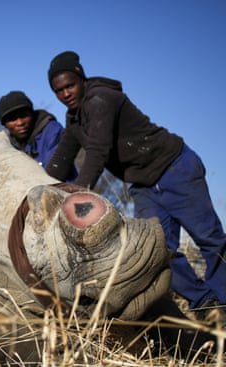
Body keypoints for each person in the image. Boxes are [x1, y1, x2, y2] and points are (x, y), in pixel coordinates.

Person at [45, 50, 226, 313]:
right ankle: (204, 304)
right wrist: (39, 189)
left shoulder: (101, 99)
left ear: (81, 79)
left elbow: (98, 150)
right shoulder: (74, 120)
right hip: (144, 186)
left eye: (69, 85)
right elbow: (61, 160)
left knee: (210, 239)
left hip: (174, 168)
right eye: (58, 91)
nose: (65, 94)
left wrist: (78, 197)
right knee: (156, 251)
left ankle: (224, 299)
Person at [0, 90, 77, 179]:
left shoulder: (52, 131)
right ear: (5, 125)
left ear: (32, 115)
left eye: (24, 116)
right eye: (12, 119)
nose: (20, 123)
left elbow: (52, 174)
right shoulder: (7, 146)